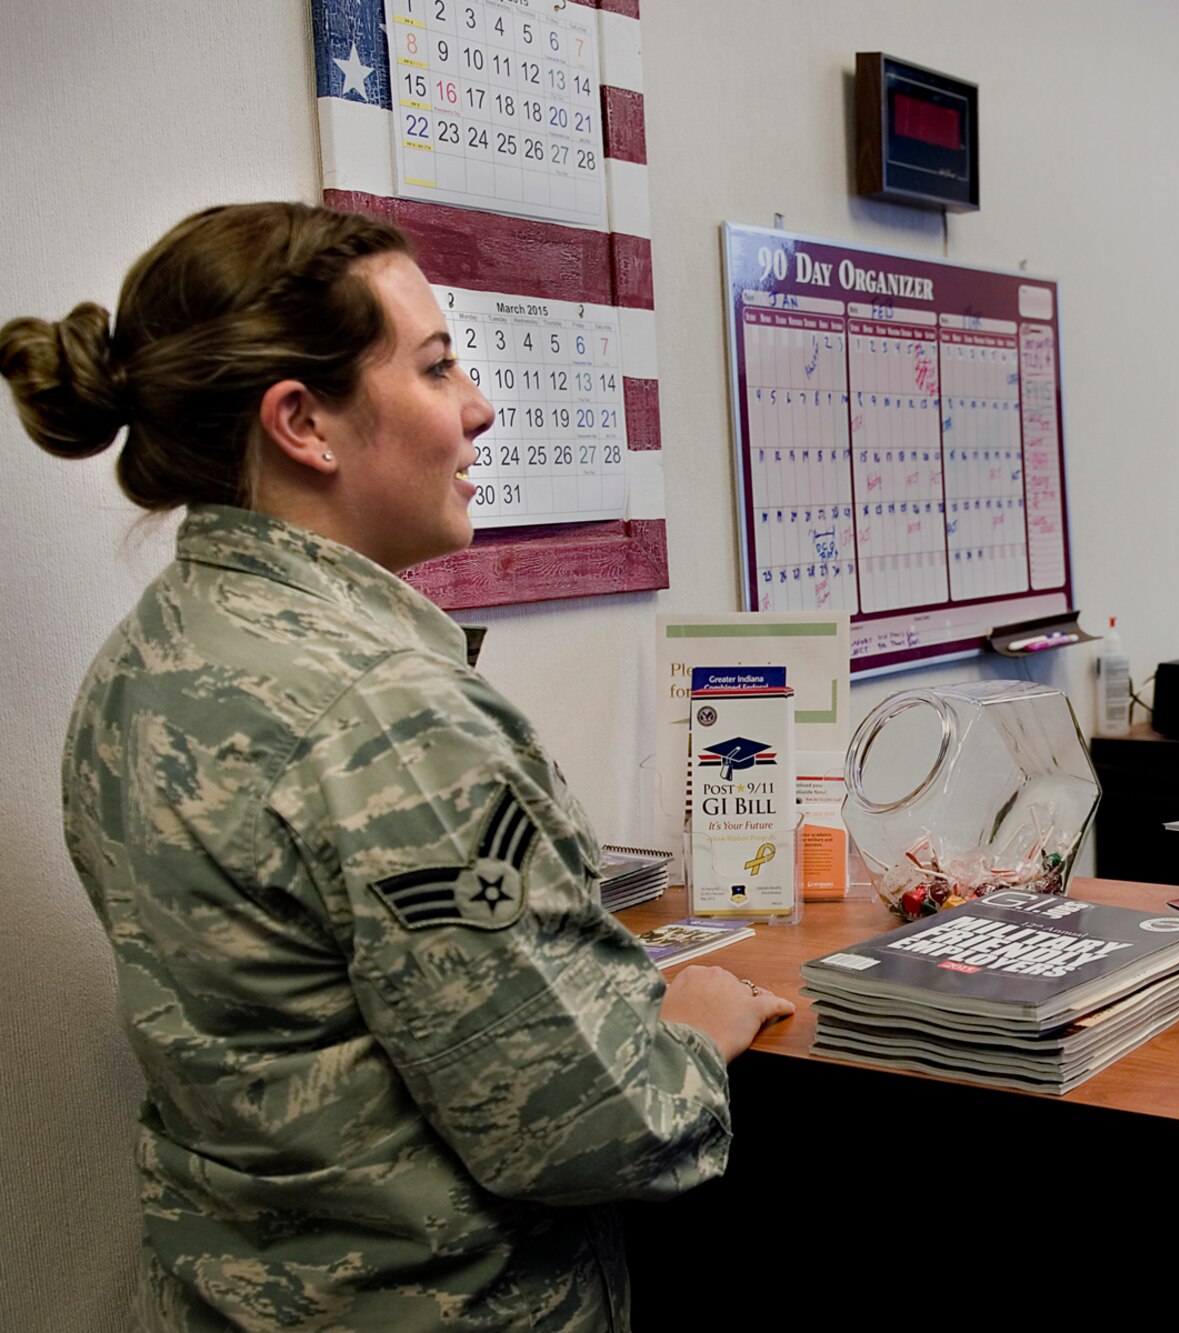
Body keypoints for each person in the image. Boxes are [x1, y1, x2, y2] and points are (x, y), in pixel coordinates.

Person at [1, 202, 793, 1331]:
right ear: (304, 424)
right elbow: (592, 1129)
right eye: (435, 368)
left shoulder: (143, 662)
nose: (477, 407)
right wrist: (691, 1029)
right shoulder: (387, 710)